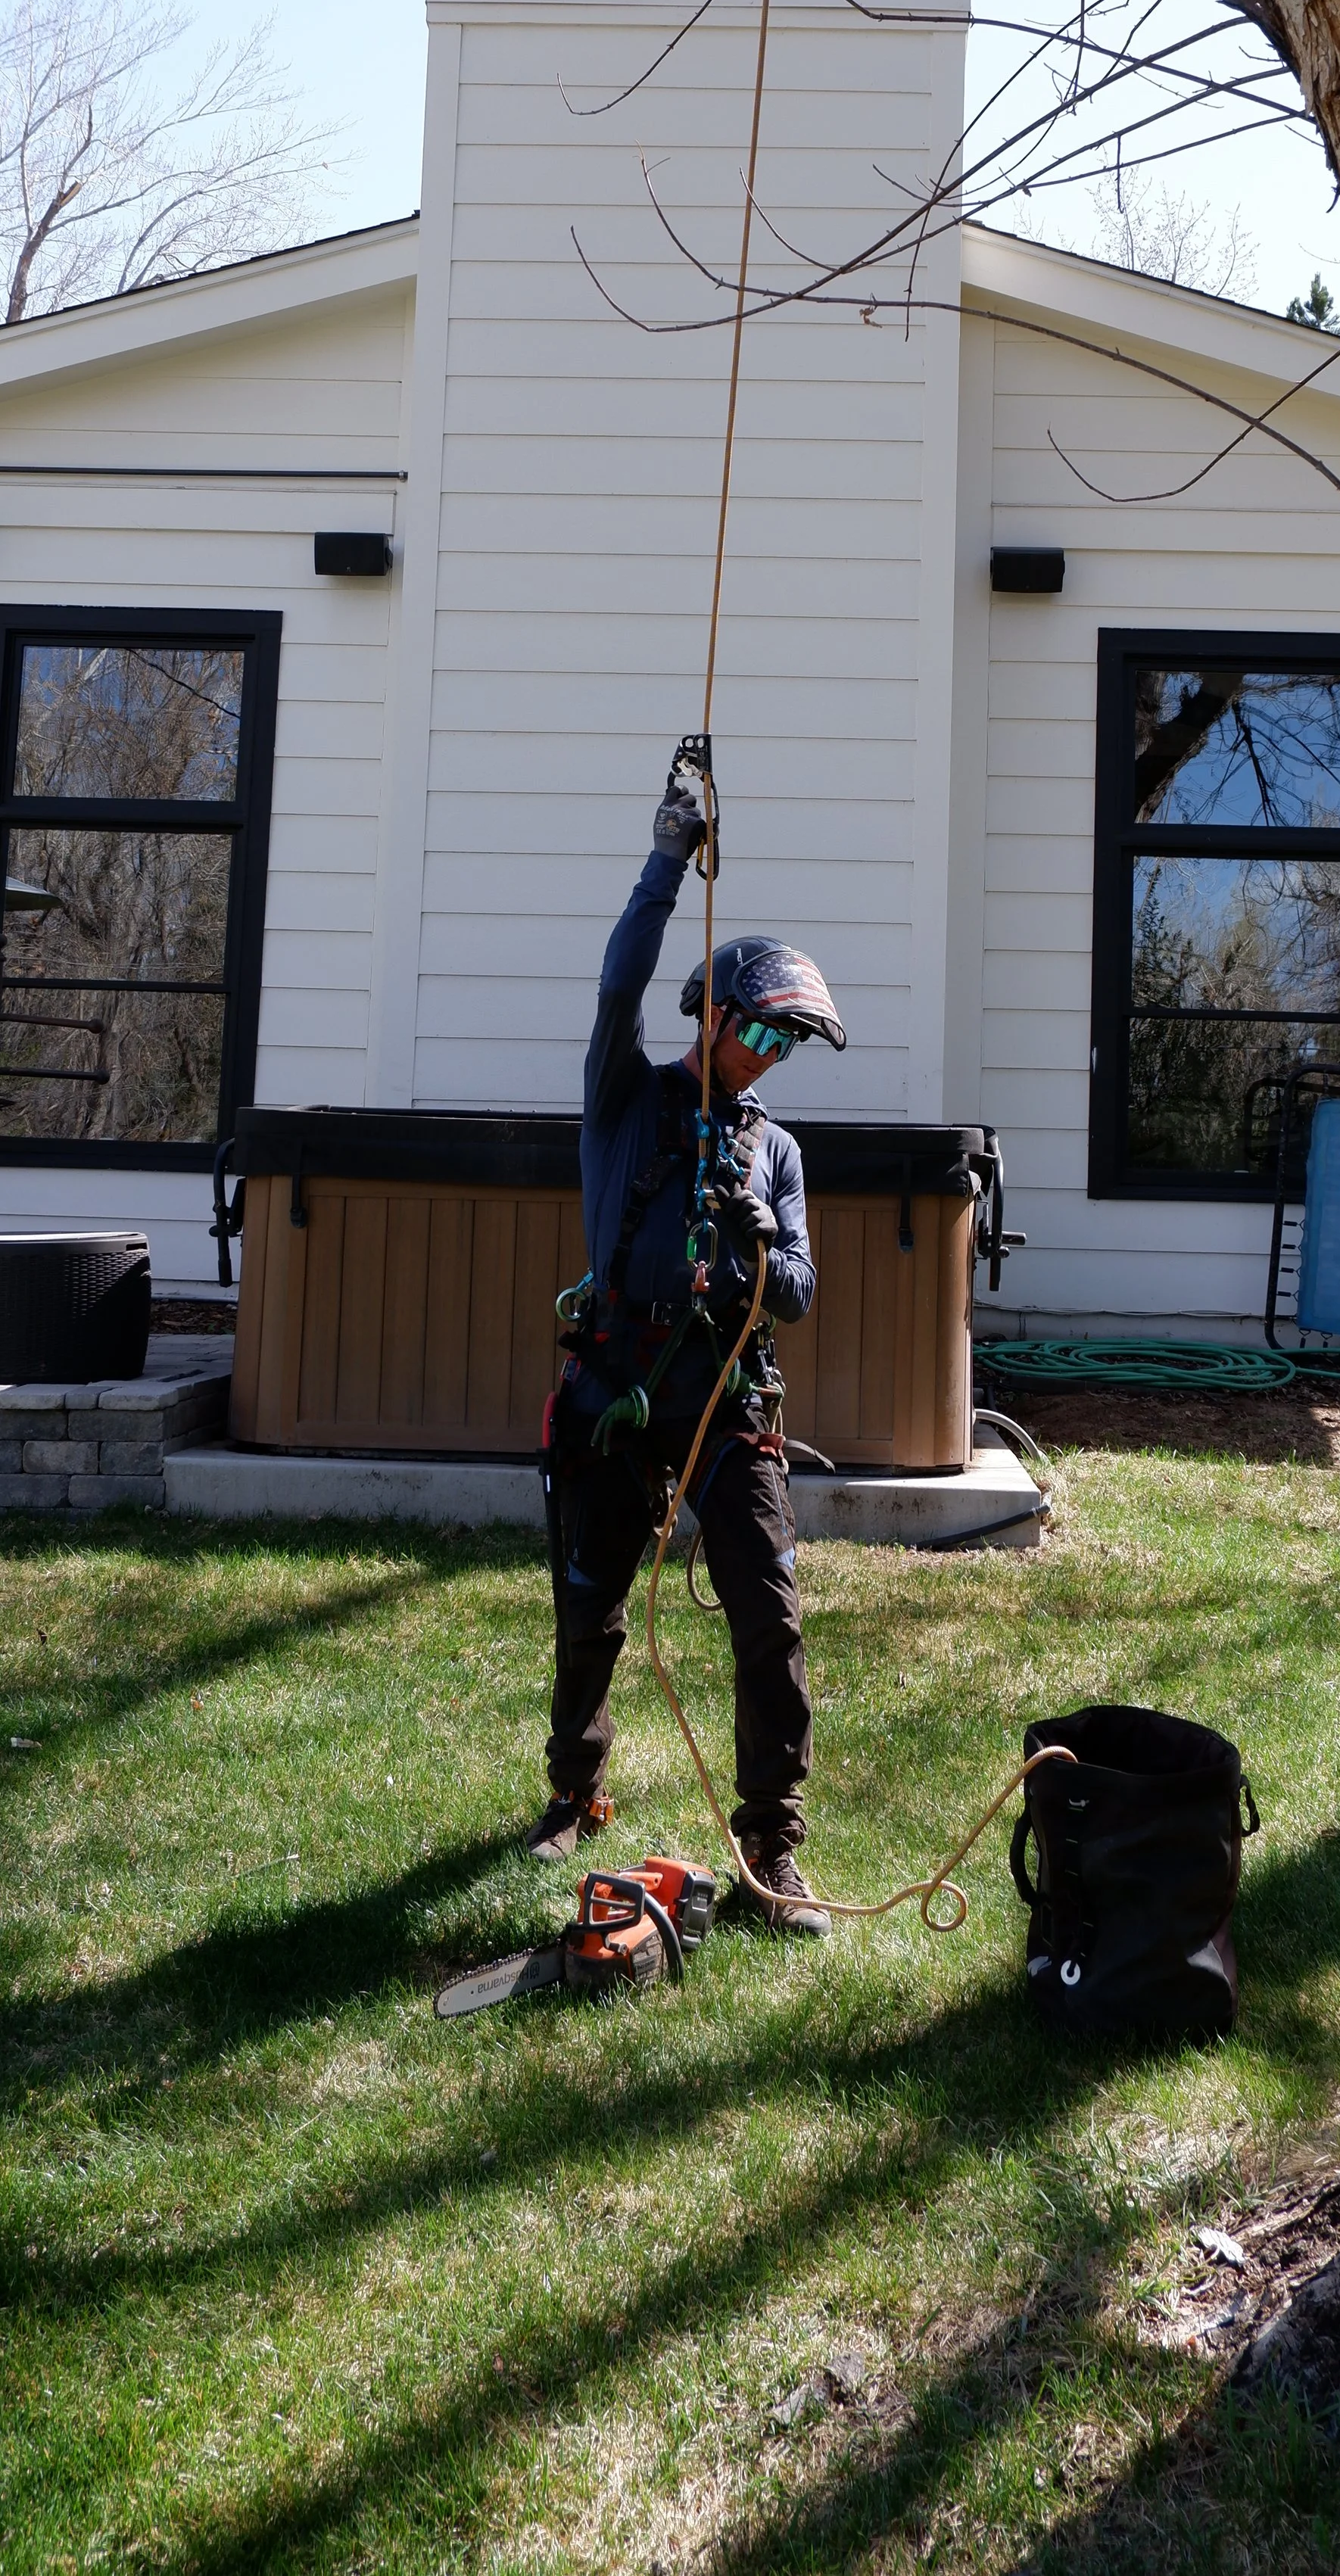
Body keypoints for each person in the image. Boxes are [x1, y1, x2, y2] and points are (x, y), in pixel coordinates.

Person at [526, 744, 846, 1933]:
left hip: (727, 1400)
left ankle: (773, 1846)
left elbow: (802, 1293)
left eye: (788, 1041)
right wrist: (666, 862)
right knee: (590, 1604)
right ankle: (574, 1786)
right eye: (759, 1029)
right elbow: (618, 987)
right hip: (615, 1385)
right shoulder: (625, 1097)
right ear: (713, 1015)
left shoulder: (780, 1152)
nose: (770, 1054)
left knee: (768, 1610)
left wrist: (770, 1249)